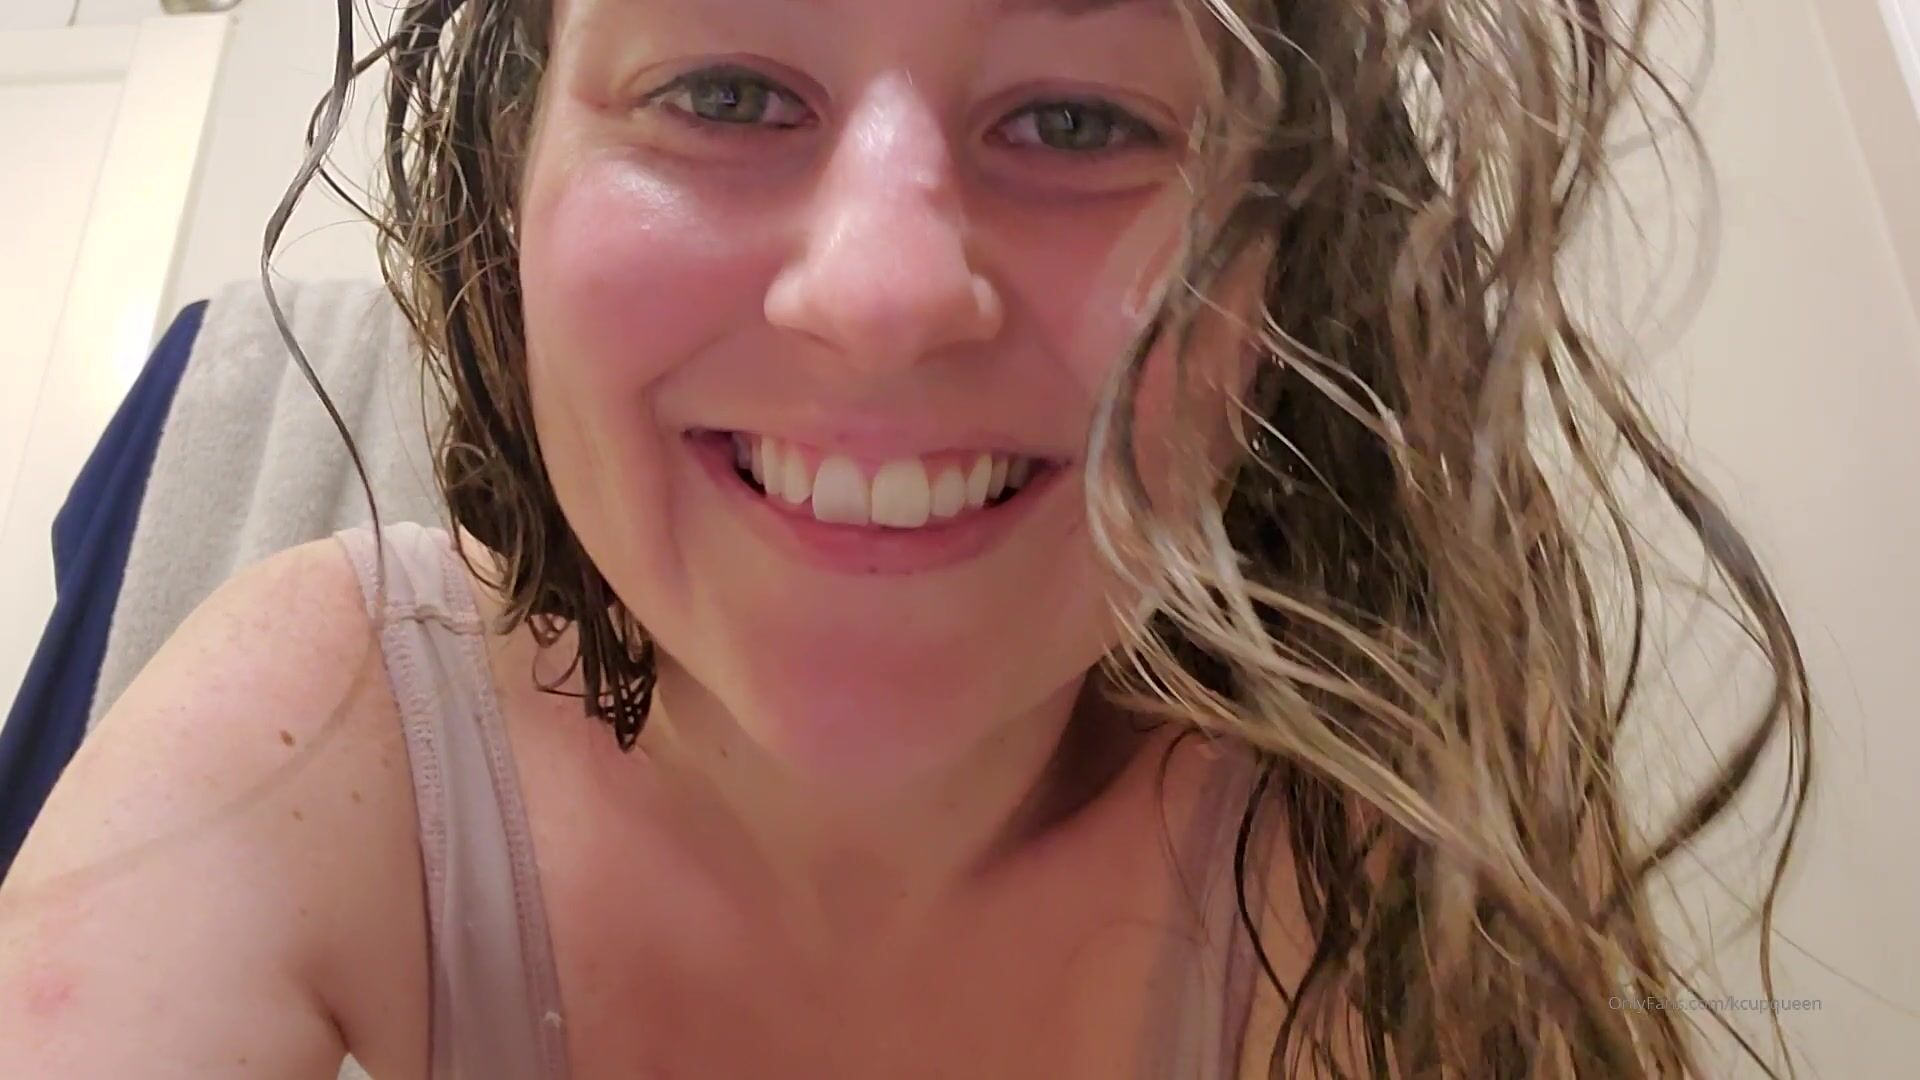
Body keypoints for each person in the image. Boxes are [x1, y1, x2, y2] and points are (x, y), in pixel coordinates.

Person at [0, 0, 1814, 1076]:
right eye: (724, 93)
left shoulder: (1374, 828)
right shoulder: (329, 716)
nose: (880, 296)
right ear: (508, 191)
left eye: (1080, 117)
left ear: (1281, 277)